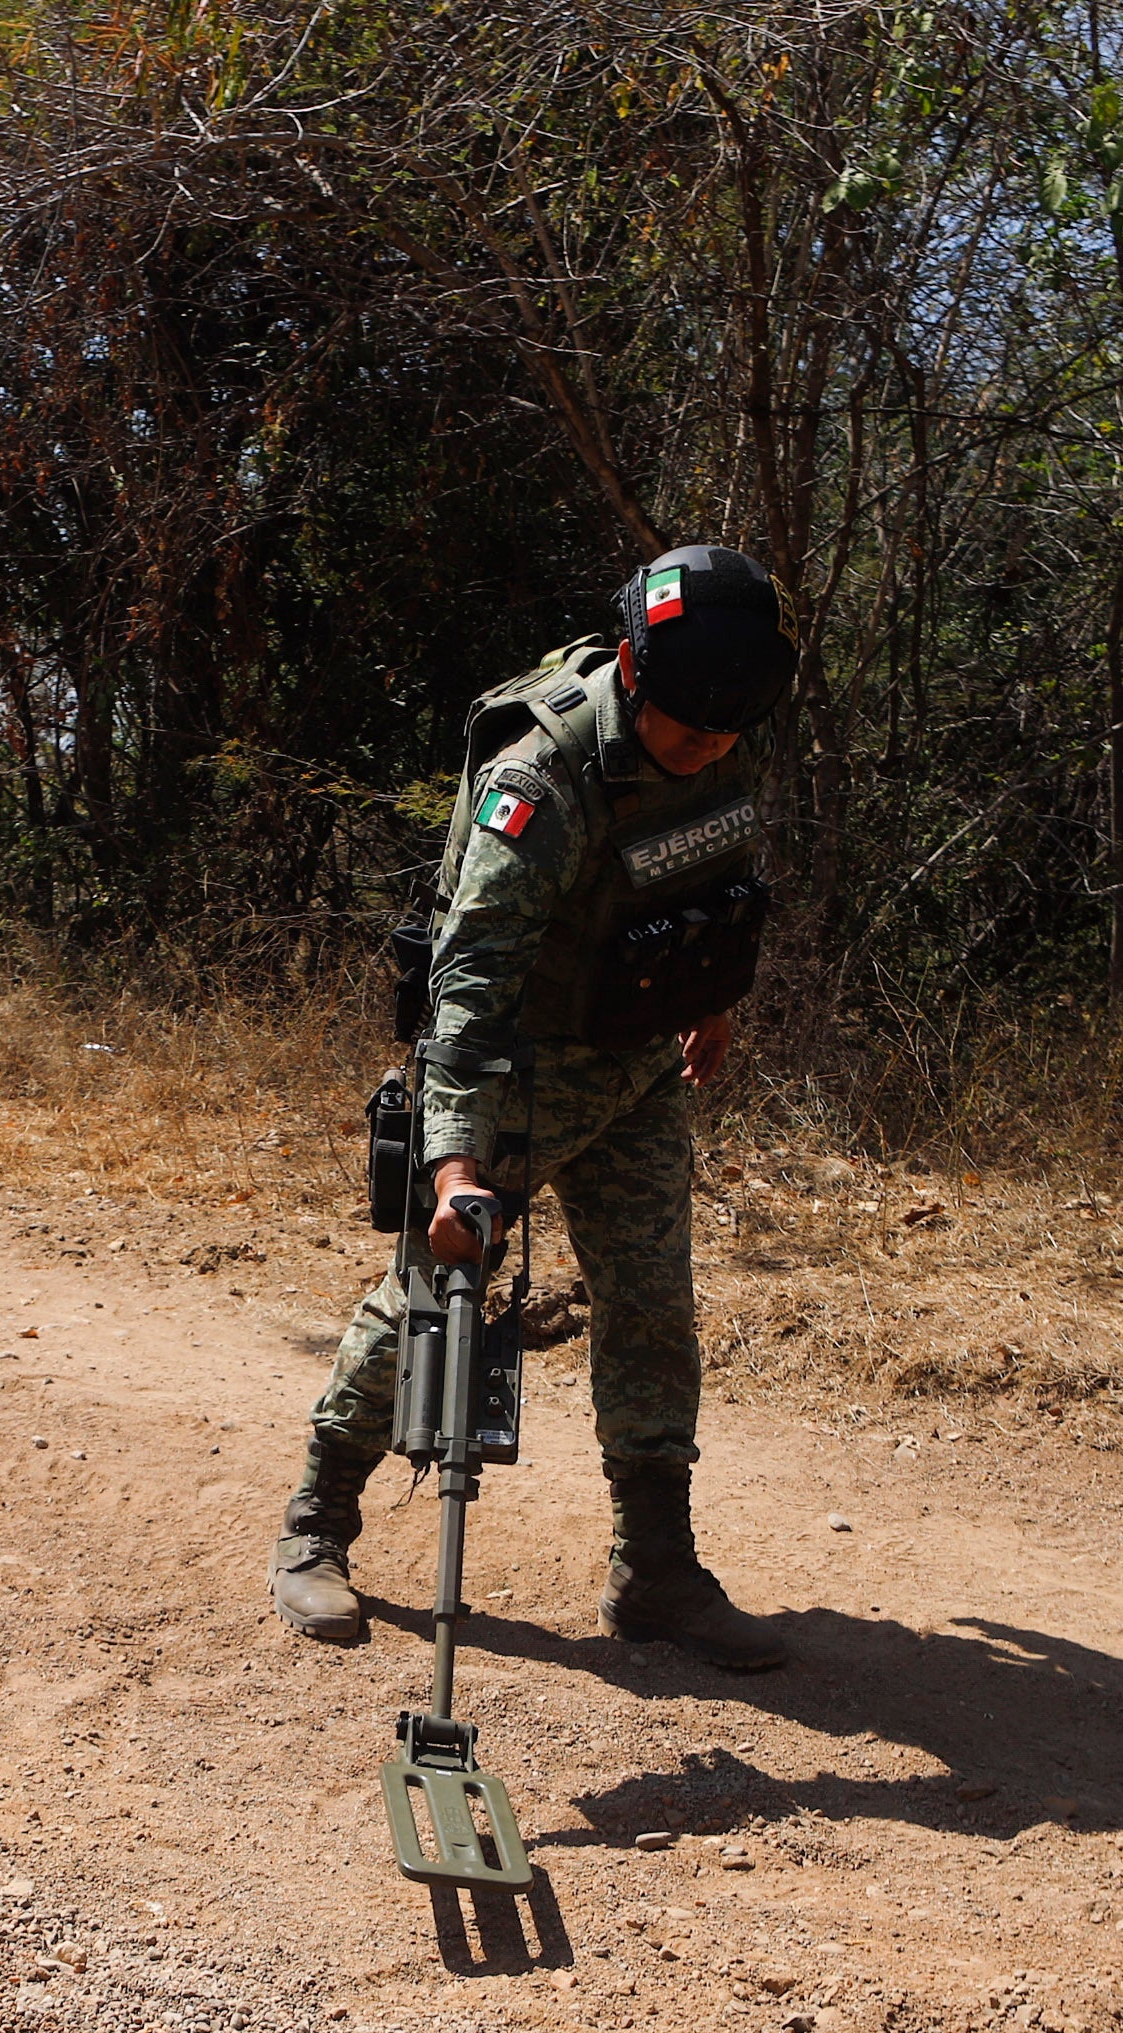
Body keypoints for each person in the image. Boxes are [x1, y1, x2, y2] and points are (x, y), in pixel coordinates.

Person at [273, 544, 802, 1670]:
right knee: (433, 1291)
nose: (706, 750)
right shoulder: (541, 780)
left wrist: (713, 1000)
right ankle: (316, 1524)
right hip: (515, 1067)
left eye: (726, 735)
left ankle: (654, 1567)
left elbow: (711, 869)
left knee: (655, 1307)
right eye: (687, 731)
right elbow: (465, 986)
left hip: (637, 1067)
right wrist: (454, 1162)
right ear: (630, 668)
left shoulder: (713, 715)